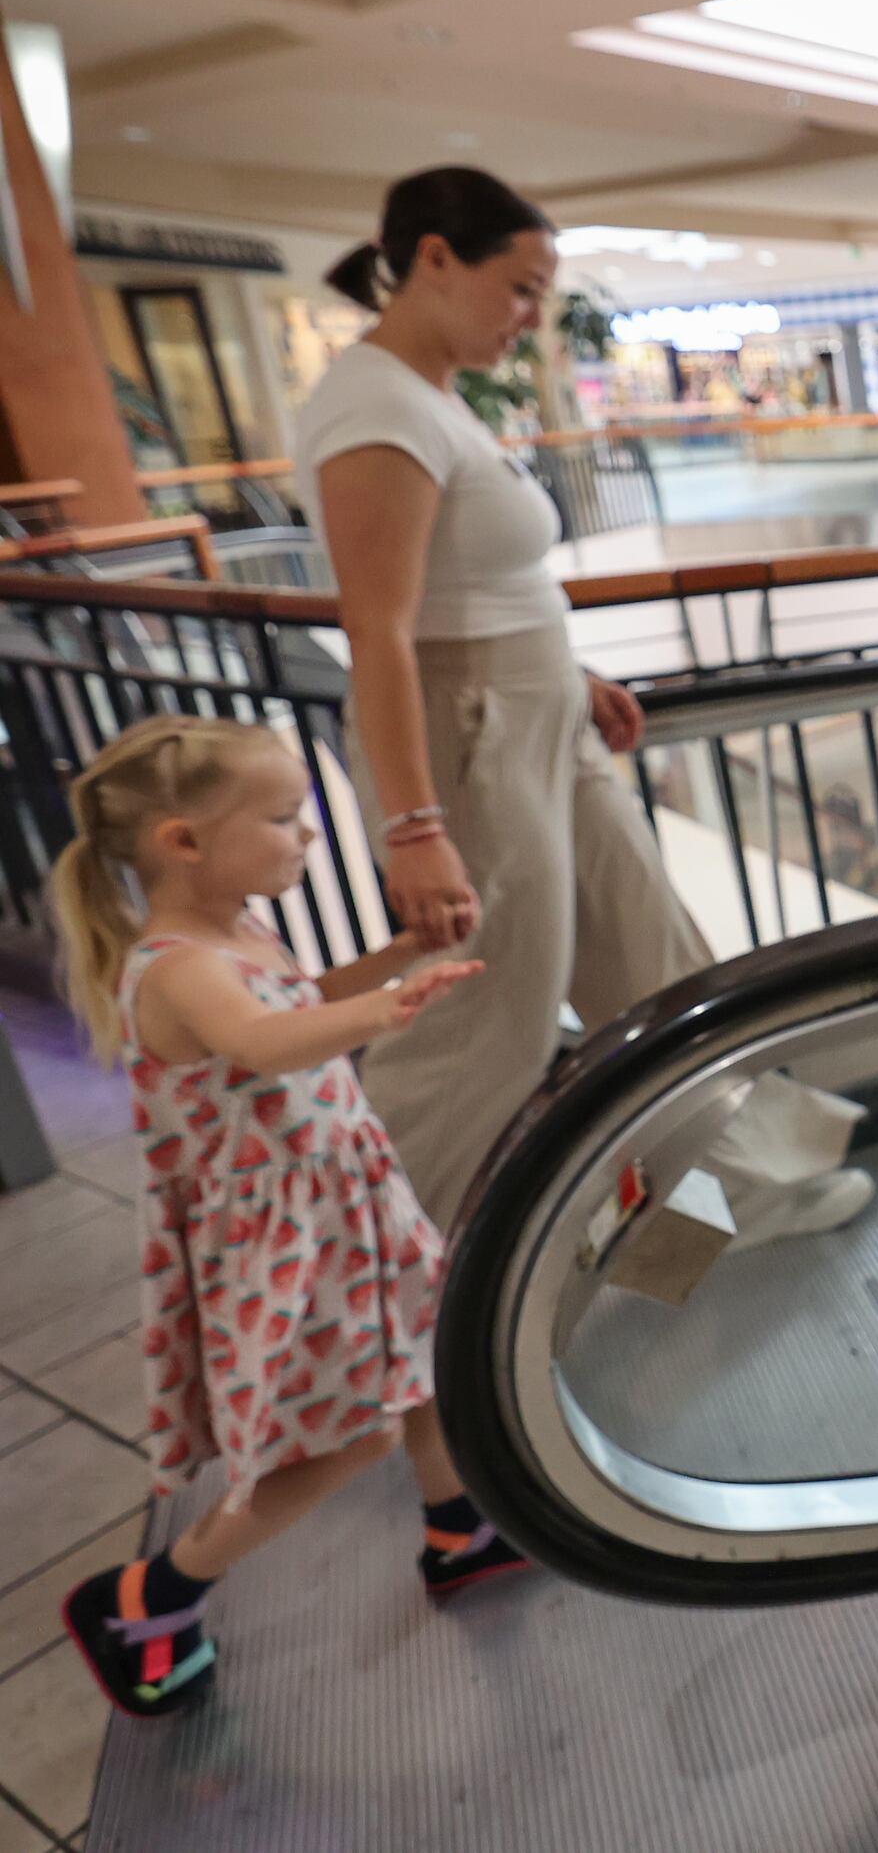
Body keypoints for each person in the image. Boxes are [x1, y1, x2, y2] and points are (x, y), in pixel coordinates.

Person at [296, 166, 865, 1249]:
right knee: (491, 1019)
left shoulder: (429, 398)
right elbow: (381, 630)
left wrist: (568, 675)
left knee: (652, 965)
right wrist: (414, 827)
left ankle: (707, 1208)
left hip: (531, 713)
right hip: (471, 737)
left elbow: (484, 586)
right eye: (519, 287)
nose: (531, 317)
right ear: (431, 259)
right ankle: (360, 1273)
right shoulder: (372, 406)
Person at [49, 717, 517, 1719]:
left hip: (344, 1197)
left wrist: (399, 956)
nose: (305, 838)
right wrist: (382, 1015)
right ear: (183, 840)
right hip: (285, 1238)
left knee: (423, 1359)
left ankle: (457, 1530)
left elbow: (301, 995)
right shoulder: (176, 966)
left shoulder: (238, 927)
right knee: (339, 1439)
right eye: (282, 819)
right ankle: (148, 1596)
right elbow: (262, 1041)